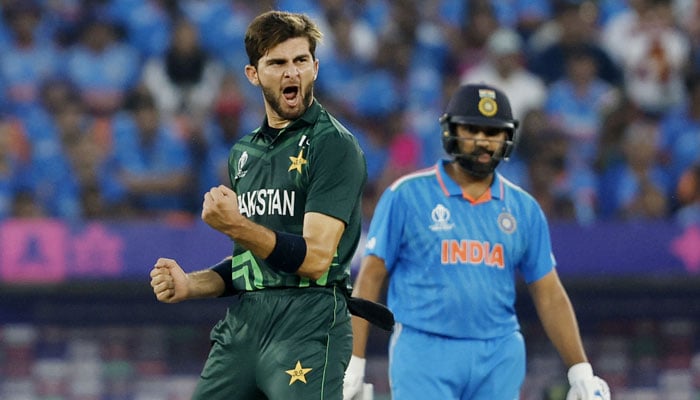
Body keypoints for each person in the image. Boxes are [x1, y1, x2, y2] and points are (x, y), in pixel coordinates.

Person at [149, 10, 369, 400]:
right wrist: (191, 284)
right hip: (246, 322)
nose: (292, 73)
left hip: (309, 321)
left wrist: (235, 226)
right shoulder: (242, 154)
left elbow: (316, 258)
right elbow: (251, 263)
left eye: (301, 61)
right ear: (253, 74)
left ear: (315, 68)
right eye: (278, 63)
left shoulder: (332, 145)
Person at [343, 83, 610, 400]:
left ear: (507, 137)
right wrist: (353, 363)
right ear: (450, 131)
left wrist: (580, 371)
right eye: (472, 129)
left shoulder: (524, 209)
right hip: (424, 352)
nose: (483, 140)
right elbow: (370, 278)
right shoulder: (406, 195)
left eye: (493, 132)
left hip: (499, 354)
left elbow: (550, 294)